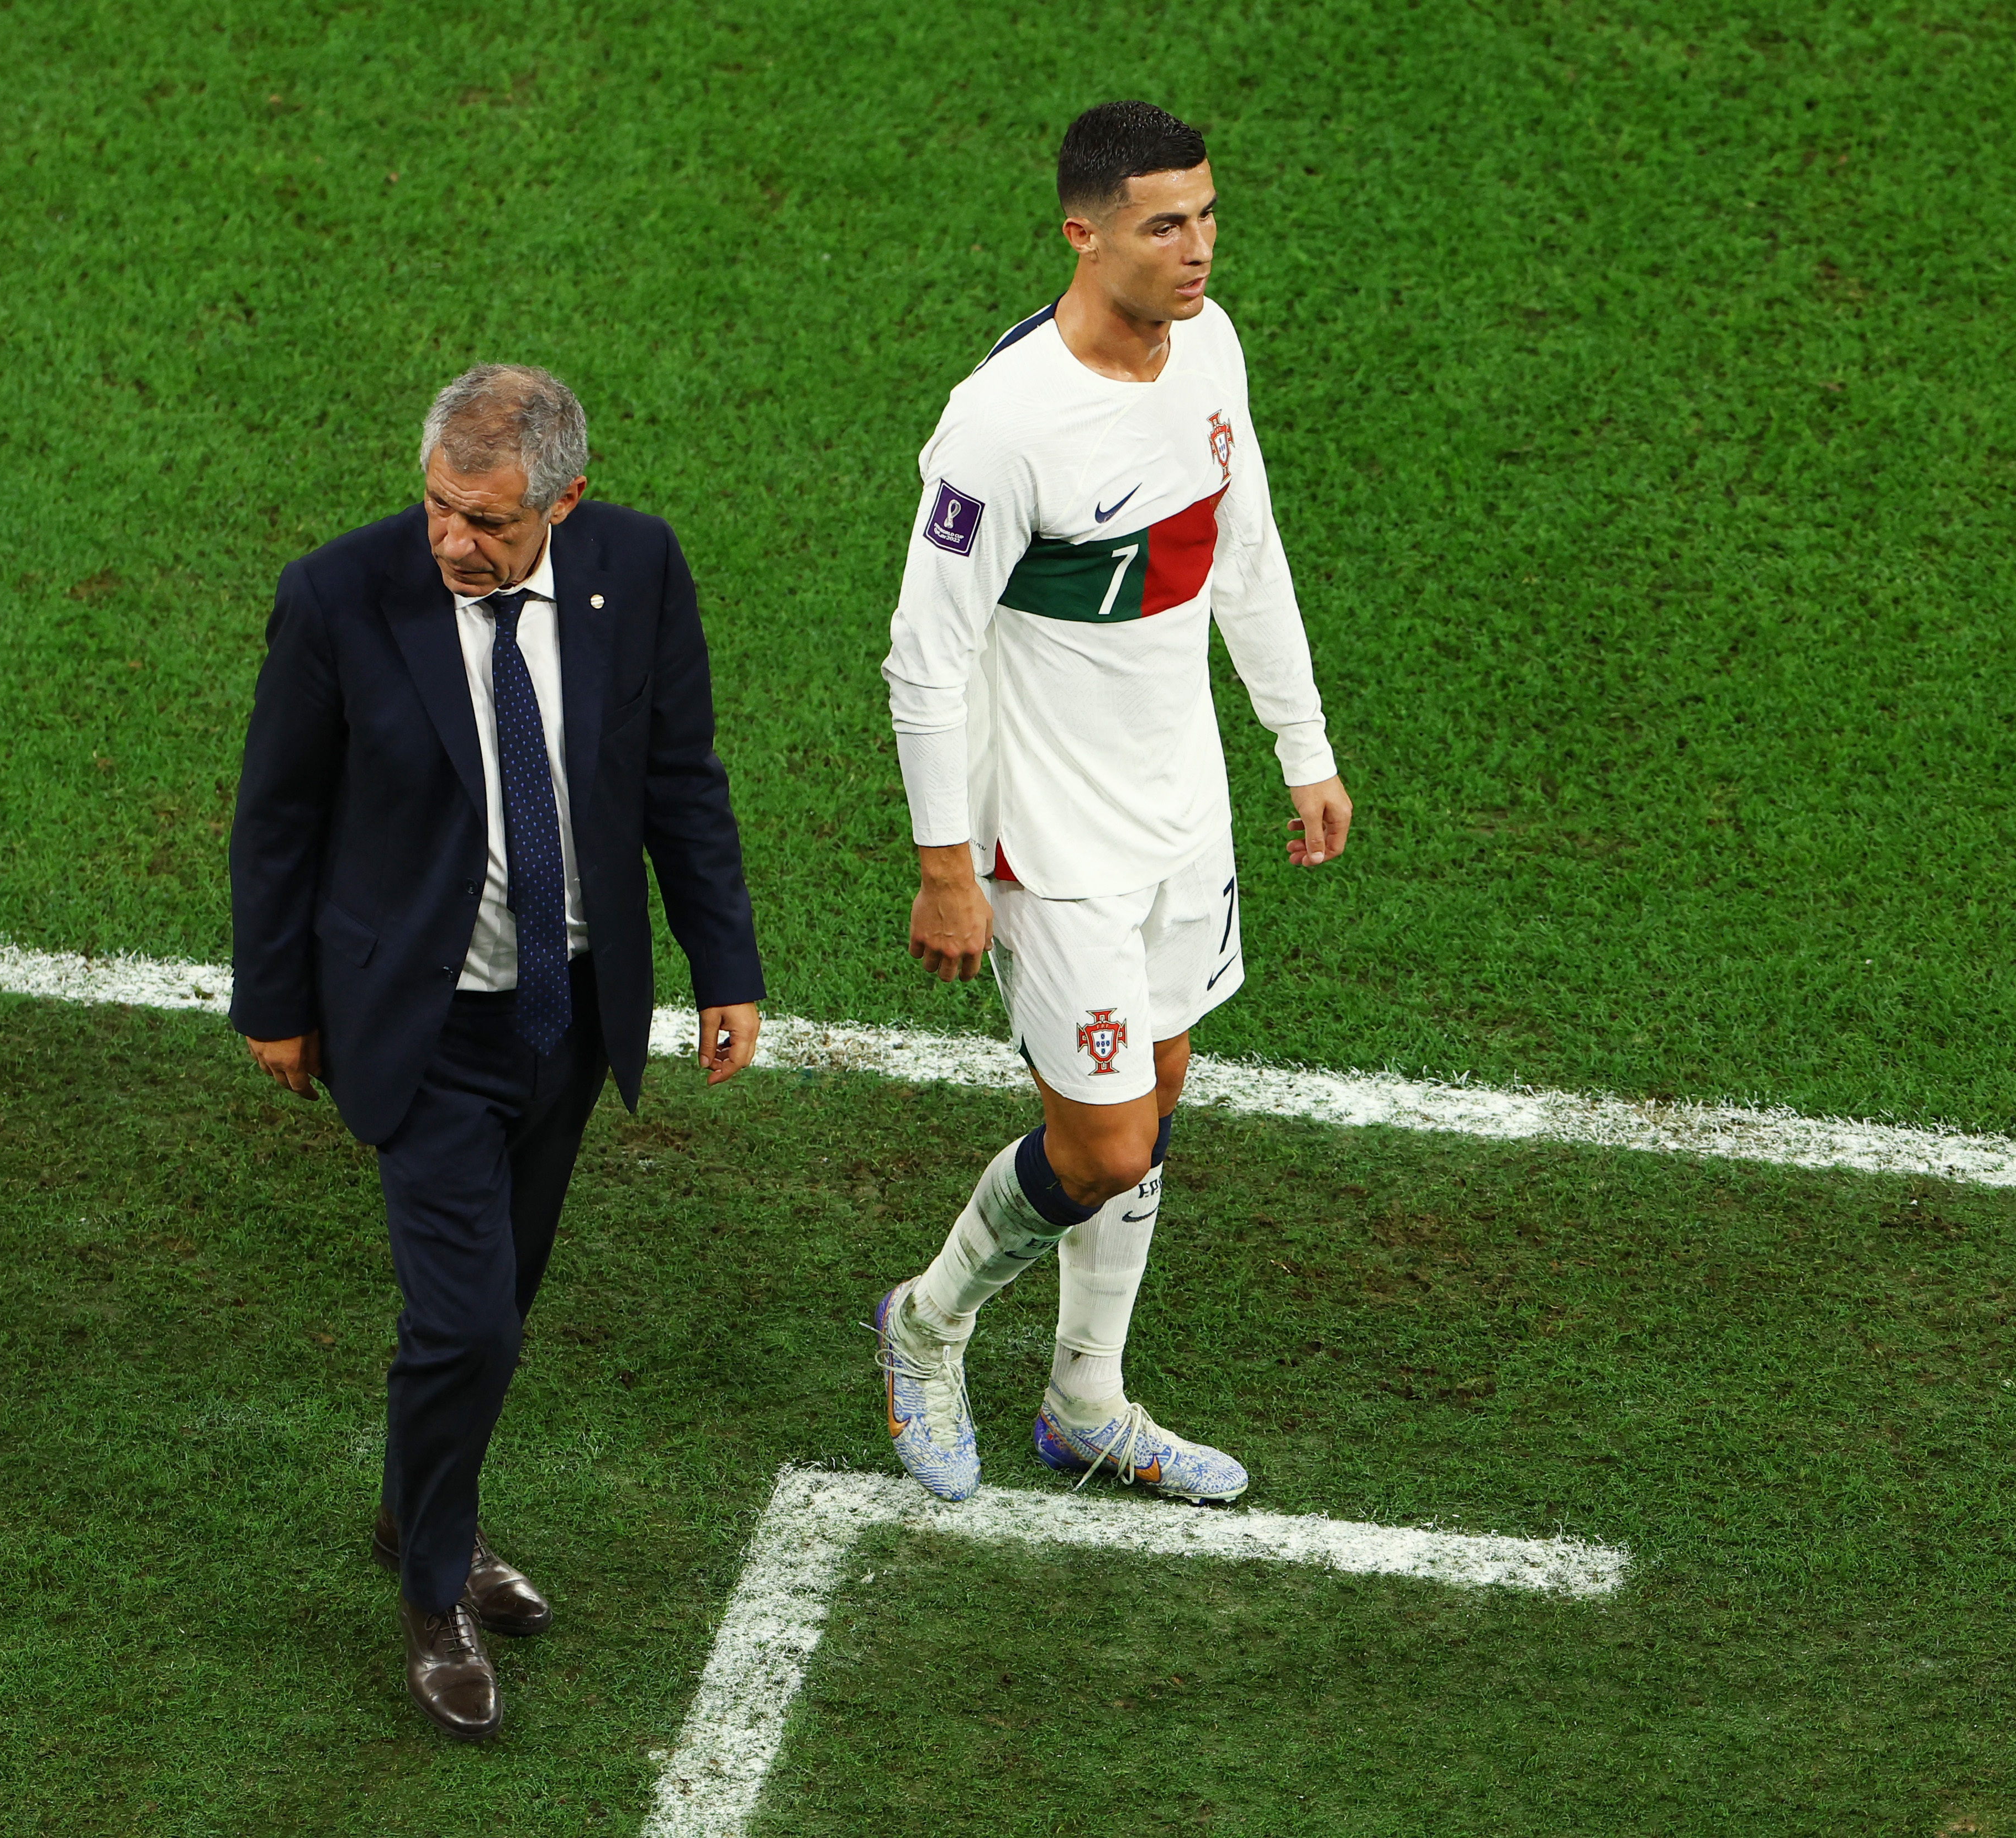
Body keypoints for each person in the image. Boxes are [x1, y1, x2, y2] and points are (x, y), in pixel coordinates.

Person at [229, 364, 765, 1740]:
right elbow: (276, 814)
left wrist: (725, 965)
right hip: (417, 1023)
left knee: (499, 1310)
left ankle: (424, 1506)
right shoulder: (339, 594)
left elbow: (677, 776)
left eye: (489, 520)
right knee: (462, 1321)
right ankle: (430, 1592)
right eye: (437, 508)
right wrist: (271, 1002)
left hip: (568, 1015)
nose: (454, 542)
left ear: (566, 500)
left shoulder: (633, 568)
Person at [875, 102, 1351, 1506]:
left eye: (1206, 217)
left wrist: (1300, 747)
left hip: (1180, 811)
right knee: (1102, 1143)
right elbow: (925, 654)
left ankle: (1086, 1399)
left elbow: (1244, 552)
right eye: (1164, 224)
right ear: (1081, 234)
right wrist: (945, 867)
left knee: (1153, 1106)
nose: (1196, 250)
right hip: (1052, 834)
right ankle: (926, 1321)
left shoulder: (1210, 351)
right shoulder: (1002, 426)